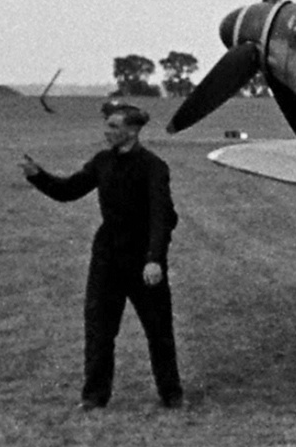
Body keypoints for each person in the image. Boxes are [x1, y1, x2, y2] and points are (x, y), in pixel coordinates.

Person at [21, 102, 182, 410]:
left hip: (142, 259)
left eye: (113, 127)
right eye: (106, 126)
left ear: (132, 131)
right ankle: (94, 396)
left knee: (159, 330)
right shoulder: (102, 162)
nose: (106, 132)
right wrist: (38, 176)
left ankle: (171, 394)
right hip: (107, 257)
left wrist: (154, 259)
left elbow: (163, 217)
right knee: (99, 330)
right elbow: (68, 190)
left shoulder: (153, 167)